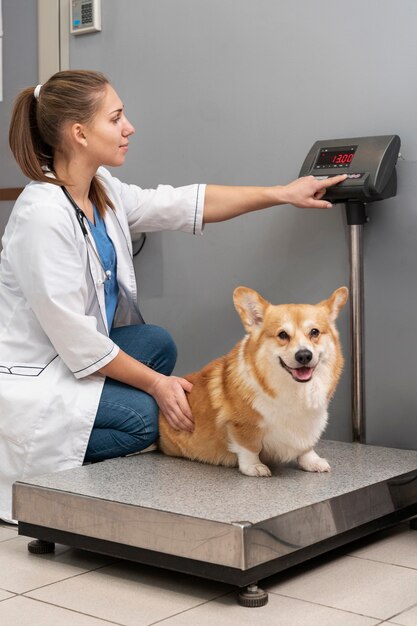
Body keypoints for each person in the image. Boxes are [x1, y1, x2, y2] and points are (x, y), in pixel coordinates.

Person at [0, 70, 346, 522]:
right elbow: (76, 341)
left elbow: (183, 204)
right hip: (42, 375)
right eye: (117, 118)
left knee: (157, 343)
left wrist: (282, 193)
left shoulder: (100, 190)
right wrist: (157, 386)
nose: (129, 128)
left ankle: (110, 415)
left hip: (73, 359)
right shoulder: (42, 216)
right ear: (79, 133)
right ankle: (63, 460)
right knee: (149, 418)